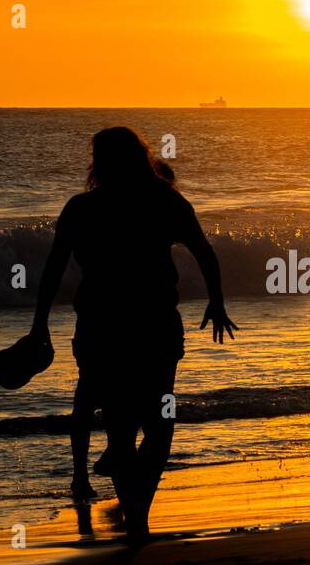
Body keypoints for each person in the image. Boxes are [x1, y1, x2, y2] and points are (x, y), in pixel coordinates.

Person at [30, 127, 236, 540]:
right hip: (154, 327)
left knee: (120, 430)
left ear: (97, 162)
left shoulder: (82, 208)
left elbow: (53, 270)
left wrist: (39, 326)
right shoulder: (165, 201)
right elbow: (205, 251)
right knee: (160, 425)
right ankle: (138, 512)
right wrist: (216, 301)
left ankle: (136, 515)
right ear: (142, 155)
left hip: (100, 329)